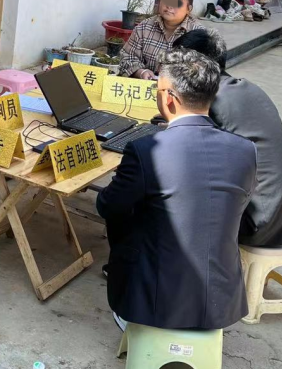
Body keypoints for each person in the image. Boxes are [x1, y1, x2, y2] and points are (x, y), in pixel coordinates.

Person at [97, 49, 257, 332]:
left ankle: (128, 304)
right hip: (221, 301)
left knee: (123, 211)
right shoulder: (246, 150)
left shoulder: (146, 150)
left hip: (156, 303)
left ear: (168, 98)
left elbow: (107, 206)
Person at [176, 28, 282, 247]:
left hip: (256, 222)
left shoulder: (210, 102)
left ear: (192, 67)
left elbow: (188, 158)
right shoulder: (246, 88)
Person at [119, 0, 215, 79]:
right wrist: (141, 72)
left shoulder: (199, 35)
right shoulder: (144, 27)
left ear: (188, 9)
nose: (169, 5)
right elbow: (127, 57)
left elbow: (206, 73)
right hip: (146, 85)